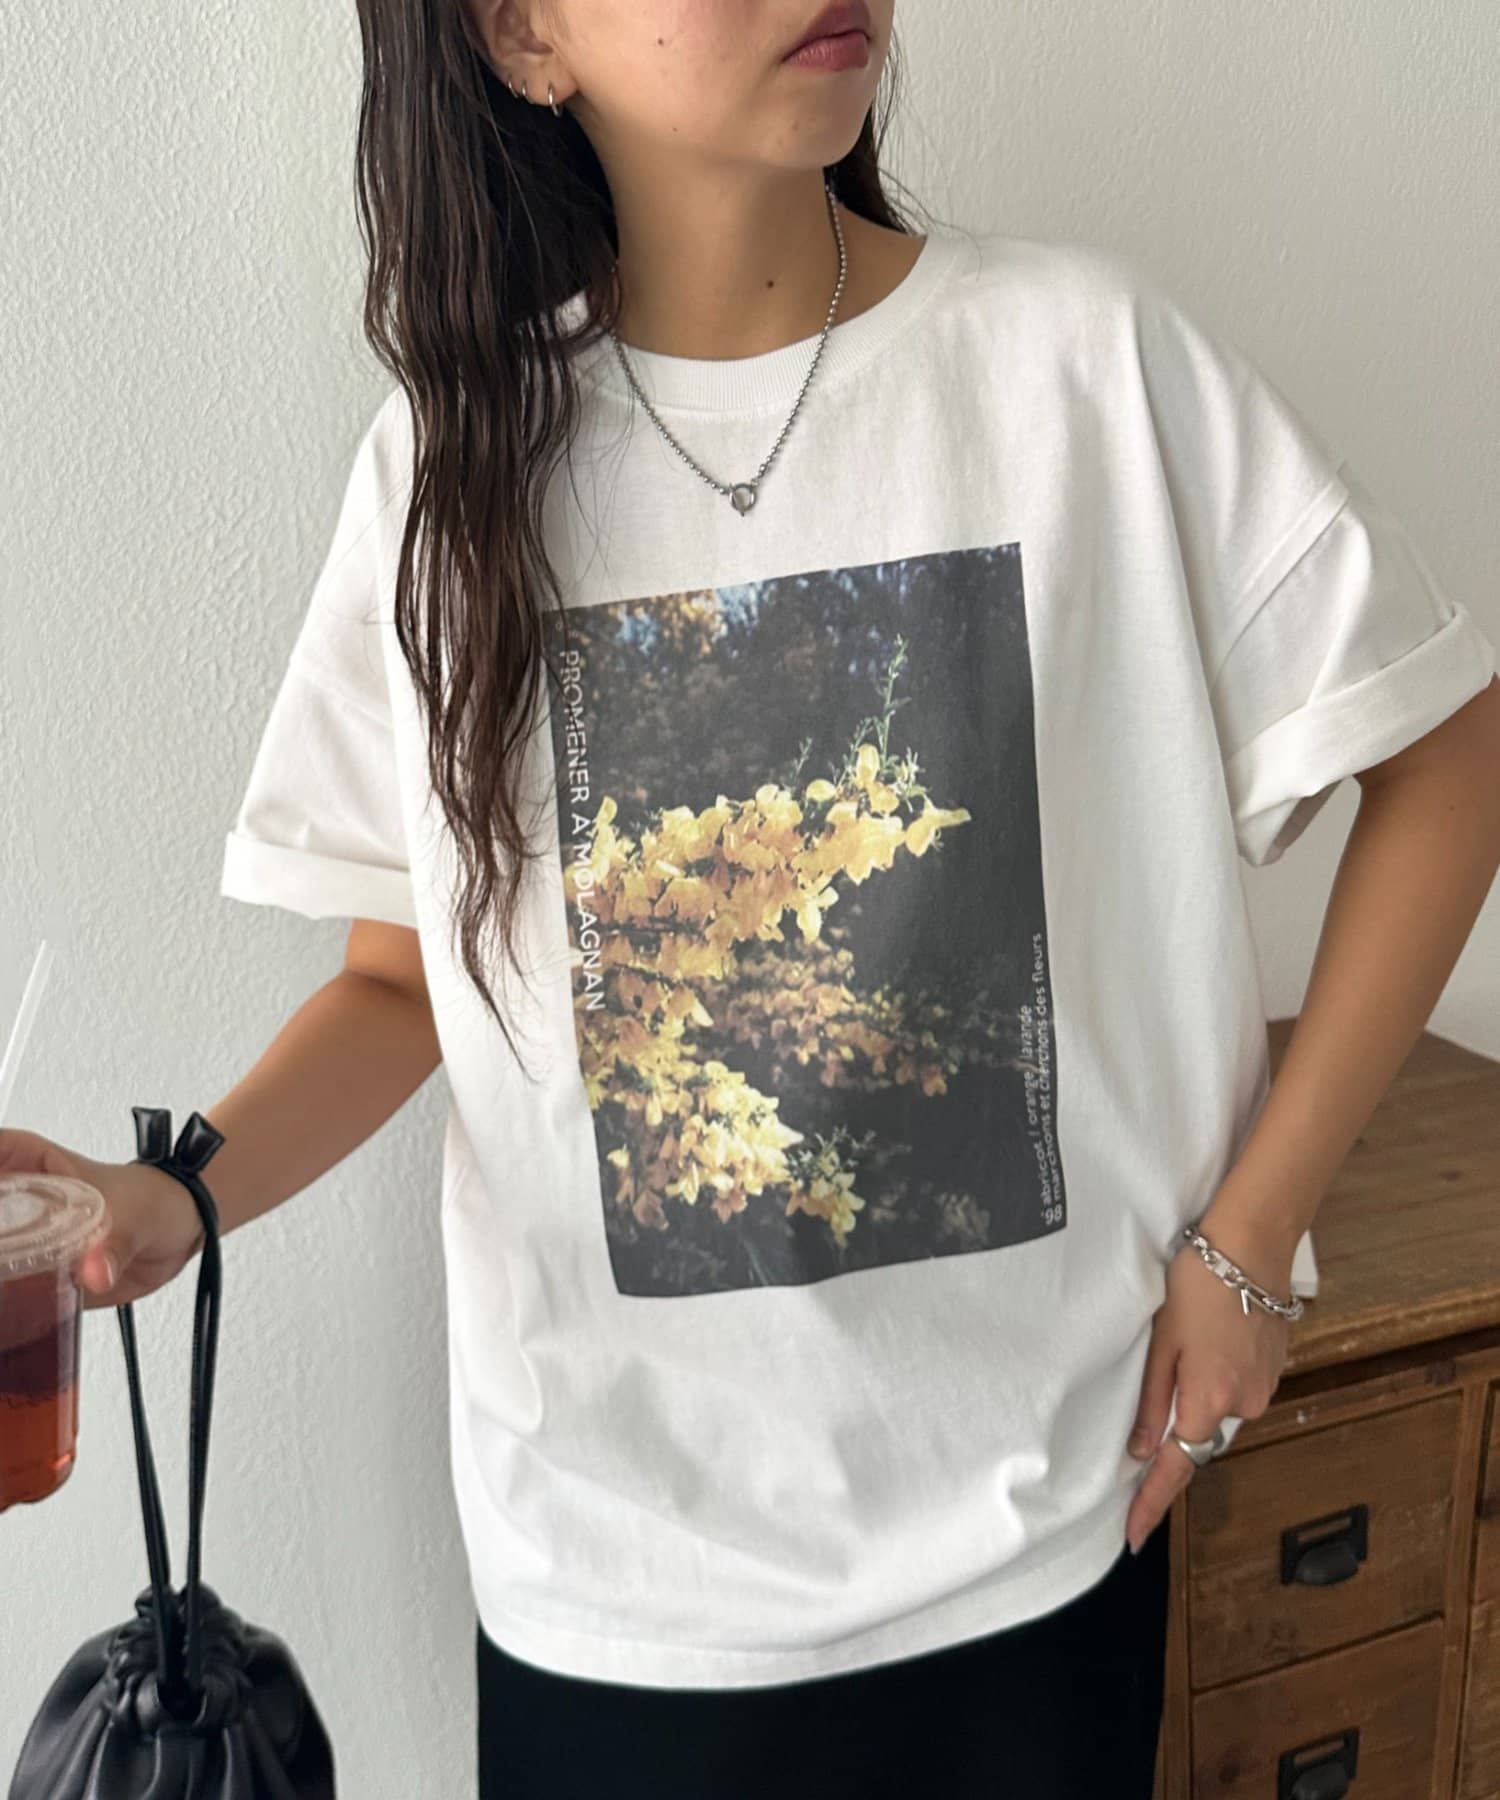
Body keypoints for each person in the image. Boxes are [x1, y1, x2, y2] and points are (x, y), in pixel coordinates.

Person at [6, 1, 1499, 1794]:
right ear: (522, 33)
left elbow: (1449, 753)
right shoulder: (449, 473)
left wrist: (1251, 1247)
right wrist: (172, 1198)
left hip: (1038, 1527)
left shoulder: (1085, 367)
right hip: (617, 1584)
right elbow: (405, 985)